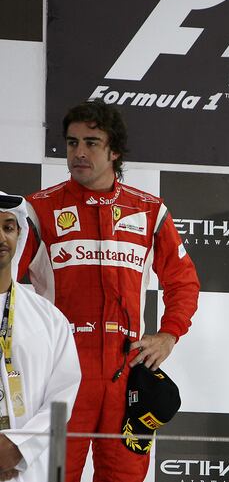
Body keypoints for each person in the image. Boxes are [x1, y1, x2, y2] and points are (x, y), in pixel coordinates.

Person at [16, 102, 200, 482]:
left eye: (92, 143)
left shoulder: (149, 210)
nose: (79, 153)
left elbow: (183, 281)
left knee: (124, 478)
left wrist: (168, 335)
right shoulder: (37, 210)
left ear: (115, 150)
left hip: (127, 373)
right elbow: (6, 286)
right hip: (61, 374)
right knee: (52, 475)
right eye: (71, 143)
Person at [0, 192, 81, 482]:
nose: (1, 238)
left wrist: (18, 448)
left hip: (30, 470)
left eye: (8, 228)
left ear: (19, 236)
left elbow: (62, 398)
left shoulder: (48, 318)